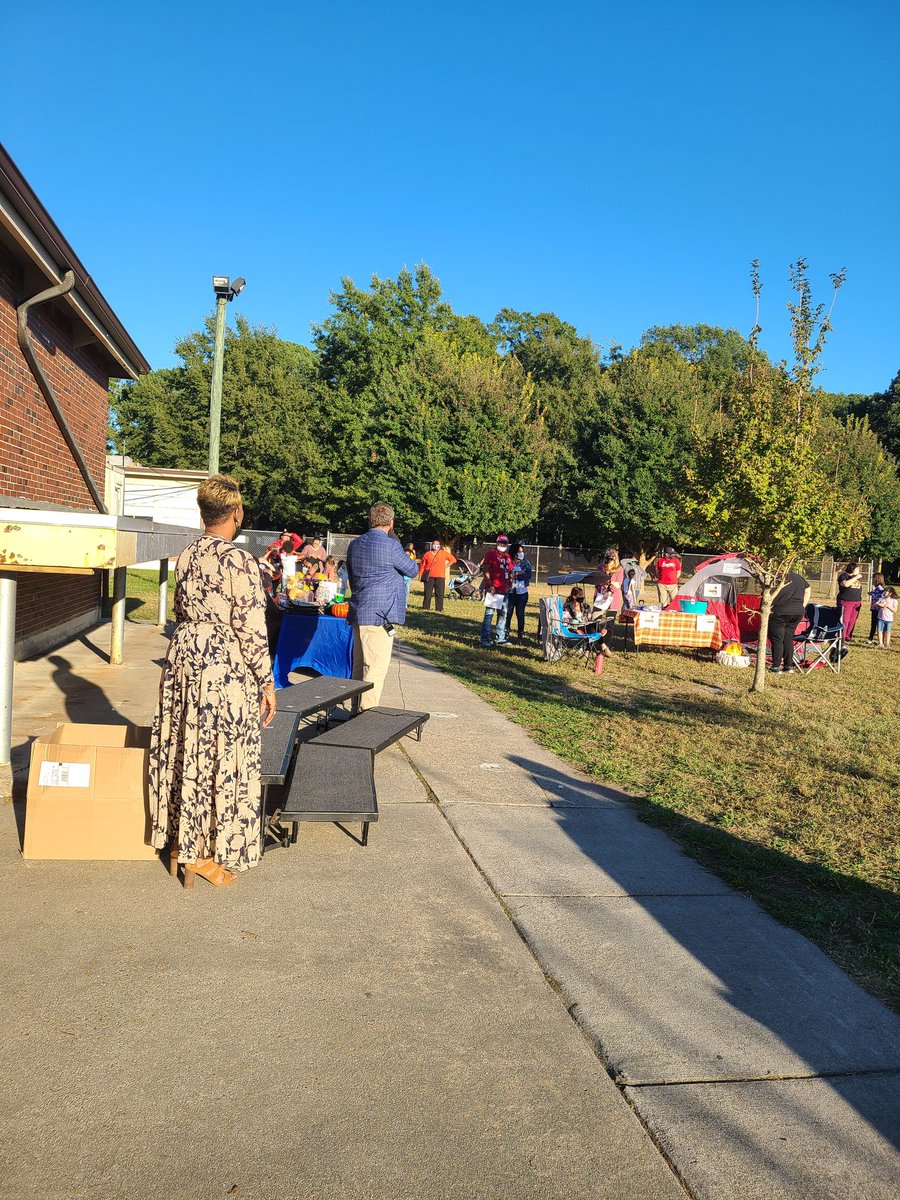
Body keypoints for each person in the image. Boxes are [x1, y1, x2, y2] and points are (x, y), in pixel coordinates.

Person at [149, 474, 276, 889]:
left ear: (204, 512)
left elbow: (180, 609)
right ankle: (201, 852)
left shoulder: (187, 554)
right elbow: (251, 628)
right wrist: (267, 683)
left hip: (184, 655)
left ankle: (181, 841)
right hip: (221, 664)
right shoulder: (239, 560)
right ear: (236, 513)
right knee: (220, 751)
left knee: (188, 747)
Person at [346, 502, 418, 709]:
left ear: (370, 520)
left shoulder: (355, 544)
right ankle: (367, 715)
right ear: (391, 522)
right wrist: (394, 539)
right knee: (375, 668)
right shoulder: (391, 545)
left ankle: (355, 710)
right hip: (381, 615)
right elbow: (412, 570)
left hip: (359, 610)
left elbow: (351, 574)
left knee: (359, 666)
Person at [768, 570, 811, 674]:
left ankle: (776, 666)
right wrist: (803, 605)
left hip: (779, 611)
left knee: (777, 639)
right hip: (797, 612)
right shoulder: (799, 577)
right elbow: (808, 589)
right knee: (788, 638)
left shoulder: (776, 577)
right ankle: (788, 666)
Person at [479, 535, 515, 646]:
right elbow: (485, 570)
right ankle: (485, 638)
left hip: (504, 590)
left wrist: (510, 582)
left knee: (503, 614)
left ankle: (500, 637)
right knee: (489, 613)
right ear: (497, 543)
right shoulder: (491, 554)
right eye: (500, 543)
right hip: (493, 589)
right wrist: (490, 585)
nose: (502, 545)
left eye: (504, 543)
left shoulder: (507, 557)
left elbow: (510, 570)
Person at [419, 540, 457, 611]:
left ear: (439, 546)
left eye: (437, 544)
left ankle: (439, 608)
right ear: (432, 545)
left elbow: (453, 560)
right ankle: (425, 607)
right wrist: (420, 574)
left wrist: (446, 566)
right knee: (427, 593)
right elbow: (422, 565)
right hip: (429, 576)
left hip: (440, 576)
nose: (436, 546)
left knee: (440, 593)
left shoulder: (443, 553)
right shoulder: (427, 554)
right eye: (434, 544)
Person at [506, 543, 533, 641]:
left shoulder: (526, 563)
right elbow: (506, 574)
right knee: (508, 613)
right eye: (519, 551)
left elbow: (528, 575)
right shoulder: (508, 562)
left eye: (522, 551)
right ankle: (505, 633)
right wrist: (519, 572)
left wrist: (515, 574)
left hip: (522, 593)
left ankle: (520, 635)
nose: (521, 553)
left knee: (520, 614)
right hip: (510, 592)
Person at [837, 561, 863, 641]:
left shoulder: (855, 577)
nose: (858, 571)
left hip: (856, 602)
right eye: (857, 569)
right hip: (846, 601)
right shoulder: (843, 576)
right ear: (852, 569)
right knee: (845, 620)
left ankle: (848, 636)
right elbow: (845, 584)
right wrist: (856, 577)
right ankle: (842, 636)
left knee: (852, 621)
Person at [594, 548, 625, 614]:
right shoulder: (600, 567)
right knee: (596, 616)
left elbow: (618, 584)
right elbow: (598, 580)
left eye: (611, 559)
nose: (609, 561)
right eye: (607, 558)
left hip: (613, 597)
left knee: (610, 618)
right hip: (600, 595)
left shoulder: (619, 569)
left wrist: (609, 593)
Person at [866, 573, 886, 645]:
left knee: (878, 625)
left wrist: (871, 593)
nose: (872, 580)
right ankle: (871, 638)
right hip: (874, 609)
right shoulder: (877, 588)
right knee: (874, 624)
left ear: (877, 579)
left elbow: (880, 597)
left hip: (878, 610)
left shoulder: (880, 589)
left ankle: (879, 640)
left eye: (873, 578)